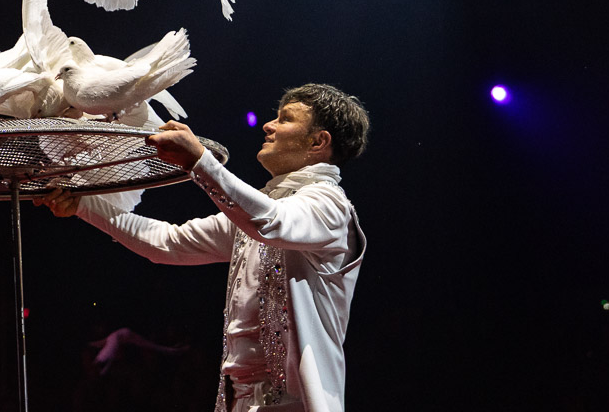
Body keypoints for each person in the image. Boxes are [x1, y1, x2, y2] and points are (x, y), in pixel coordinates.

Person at [36, 83, 369, 412]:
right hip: (239, 401)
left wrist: (200, 162)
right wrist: (84, 206)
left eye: (285, 119)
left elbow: (271, 222)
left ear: (318, 142)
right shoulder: (260, 208)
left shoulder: (329, 206)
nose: (268, 125)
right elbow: (167, 242)